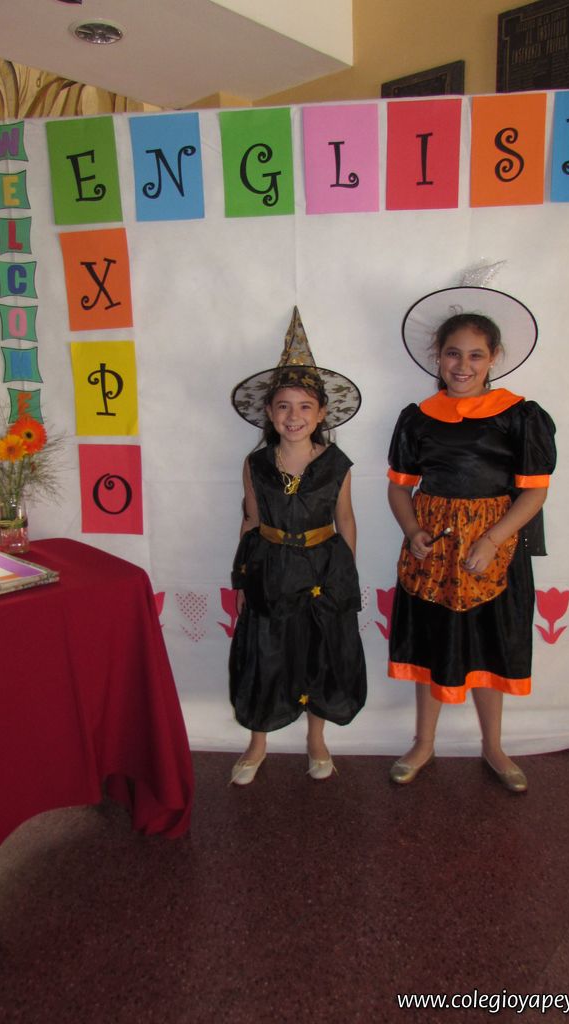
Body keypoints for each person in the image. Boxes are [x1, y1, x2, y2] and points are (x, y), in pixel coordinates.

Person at [387, 285, 556, 792]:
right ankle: (423, 742)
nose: (463, 365)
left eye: (475, 355)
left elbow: (534, 492)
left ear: (494, 357)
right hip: (434, 551)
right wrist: (413, 530)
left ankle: (494, 746)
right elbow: (399, 489)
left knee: (490, 643)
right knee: (433, 643)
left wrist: (492, 540)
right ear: (438, 356)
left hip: (494, 549)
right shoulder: (418, 418)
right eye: (453, 353)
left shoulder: (518, 415)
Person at [228, 307, 367, 785]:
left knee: (319, 652)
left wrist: (346, 577)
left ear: (322, 413)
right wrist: (241, 580)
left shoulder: (337, 464)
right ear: (269, 413)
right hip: (269, 570)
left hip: (322, 573)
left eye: (305, 407)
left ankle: (316, 739)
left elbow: (345, 520)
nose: (294, 416)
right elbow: (251, 520)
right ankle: (258, 741)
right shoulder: (256, 464)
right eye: (284, 406)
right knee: (266, 652)